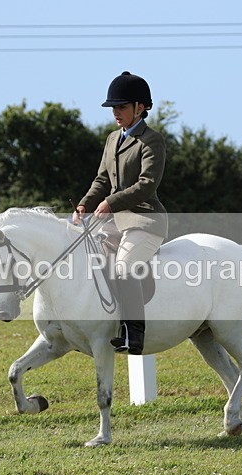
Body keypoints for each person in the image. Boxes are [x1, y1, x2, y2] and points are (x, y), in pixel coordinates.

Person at [73, 71, 168, 355]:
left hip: (145, 219)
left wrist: (111, 203)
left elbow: (147, 184)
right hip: (115, 221)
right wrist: (84, 204)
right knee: (87, 257)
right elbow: (102, 180)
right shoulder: (112, 139)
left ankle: (134, 335)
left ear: (141, 108)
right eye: (113, 107)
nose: (116, 112)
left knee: (124, 269)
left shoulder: (152, 141)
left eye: (122, 107)